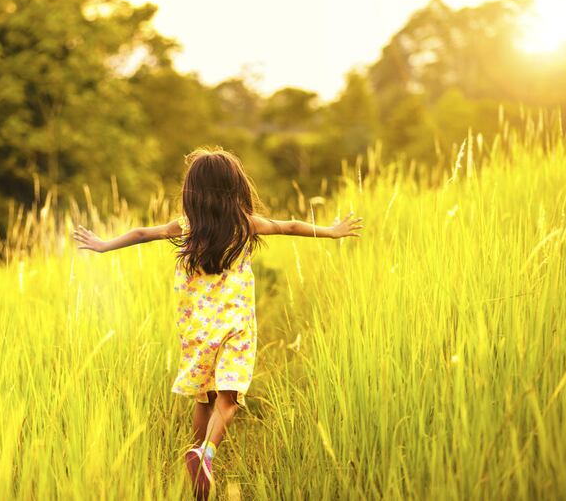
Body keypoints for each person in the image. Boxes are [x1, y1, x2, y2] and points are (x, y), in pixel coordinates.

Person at [72, 147, 363, 500]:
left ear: (192, 192)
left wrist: (103, 245)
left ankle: (196, 463)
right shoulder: (245, 224)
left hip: (197, 328)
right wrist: (332, 232)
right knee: (229, 396)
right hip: (235, 326)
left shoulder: (187, 227)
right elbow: (289, 225)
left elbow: (140, 233)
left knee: (204, 396)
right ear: (235, 187)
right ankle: (205, 455)